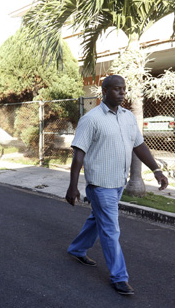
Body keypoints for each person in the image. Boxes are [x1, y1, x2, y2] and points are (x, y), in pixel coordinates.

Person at [66, 75, 168, 295]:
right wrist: (72, 186)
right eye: (116, 89)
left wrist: (156, 170)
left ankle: (77, 248)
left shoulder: (128, 117)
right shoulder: (91, 119)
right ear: (104, 91)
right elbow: (78, 155)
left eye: (123, 89)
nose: (122, 93)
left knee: (98, 219)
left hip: (118, 182)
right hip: (100, 184)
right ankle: (119, 277)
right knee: (111, 230)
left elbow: (139, 146)